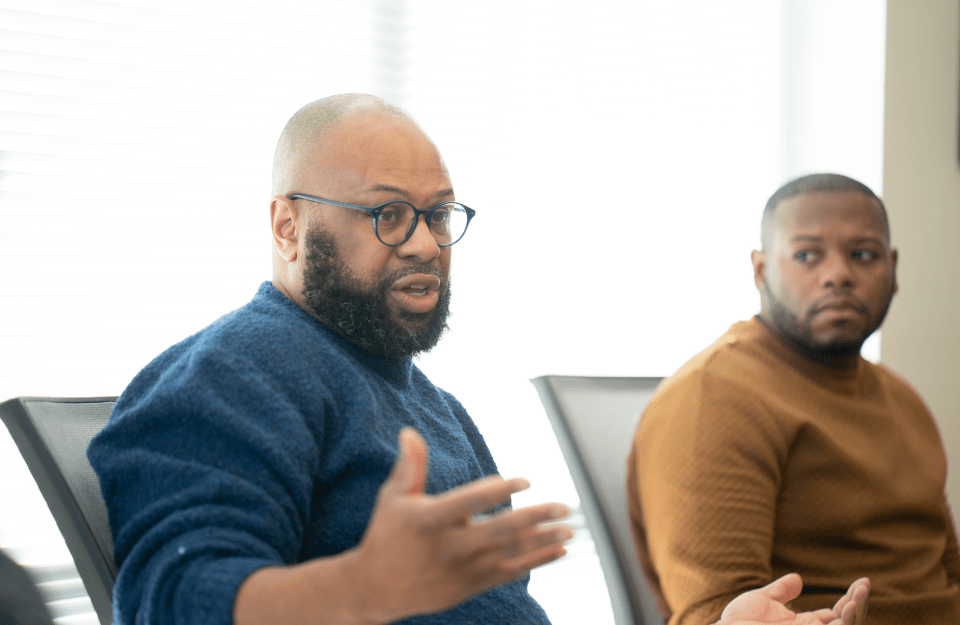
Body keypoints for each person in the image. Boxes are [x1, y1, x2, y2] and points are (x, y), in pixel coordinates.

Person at [88, 97, 868, 625]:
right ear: (288, 227)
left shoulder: (432, 404)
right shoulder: (233, 371)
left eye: (436, 213)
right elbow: (170, 597)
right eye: (388, 214)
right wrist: (360, 587)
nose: (426, 242)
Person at [628, 172, 958, 625]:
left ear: (894, 268)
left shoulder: (904, 399)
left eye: (863, 254)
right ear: (761, 270)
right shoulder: (714, 397)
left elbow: (948, 571)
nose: (839, 274)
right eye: (807, 255)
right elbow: (714, 613)